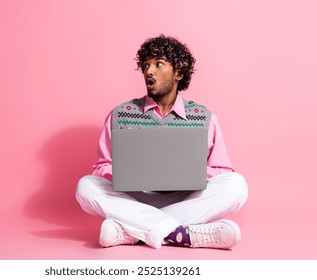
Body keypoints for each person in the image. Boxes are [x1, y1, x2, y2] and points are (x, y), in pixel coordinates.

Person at [76, 34, 248, 249]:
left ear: (179, 73)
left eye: (158, 64)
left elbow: (223, 169)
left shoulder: (205, 117)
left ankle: (132, 230)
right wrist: (125, 174)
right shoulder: (119, 114)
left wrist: (190, 175)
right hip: (136, 198)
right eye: (146, 65)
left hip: (186, 199)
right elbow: (102, 167)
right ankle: (185, 235)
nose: (149, 71)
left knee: (237, 186)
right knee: (86, 187)